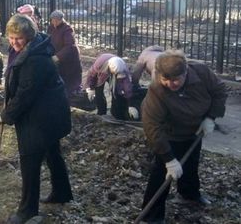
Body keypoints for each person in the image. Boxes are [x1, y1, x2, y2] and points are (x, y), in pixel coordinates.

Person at [0, 14, 73, 224]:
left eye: (19, 38)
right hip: (51, 114)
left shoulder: (35, 59)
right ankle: (62, 192)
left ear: (29, 36)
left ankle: (27, 210)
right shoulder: (32, 48)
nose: (14, 42)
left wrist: (6, 115)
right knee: (52, 153)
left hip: (40, 119)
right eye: (11, 37)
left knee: (30, 162)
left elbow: (25, 93)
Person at [140, 50, 227, 224]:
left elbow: (219, 91)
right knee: (161, 172)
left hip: (195, 129)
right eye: (166, 80)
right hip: (169, 134)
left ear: (185, 72)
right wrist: (169, 159)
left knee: (191, 163)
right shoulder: (157, 89)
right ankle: (152, 216)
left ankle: (189, 194)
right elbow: (152, 126)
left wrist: (211, 117)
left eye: (175, 80)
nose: (170, 84)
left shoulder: (201, 72)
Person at [85, 53, 135, 120]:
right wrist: (90, 88)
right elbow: (91, 74)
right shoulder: (99, 64)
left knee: (117, 91)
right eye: (115, 72)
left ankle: (115, 112)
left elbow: (127, 85)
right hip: (102, 71)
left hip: (115, 71)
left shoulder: (123, 68)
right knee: (98, 92)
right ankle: (101, 112)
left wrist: (130, 104)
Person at [47, 10, 83, 96]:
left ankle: (72, 100)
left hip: (69, 60)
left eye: (57, 21)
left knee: (70, 83)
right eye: (53, 20)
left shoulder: (67, 29)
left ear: (61, 19)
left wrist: (57, 56)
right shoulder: (51, 27)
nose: (54, 23)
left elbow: (70, 46)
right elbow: (48, 39)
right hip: (58, 59)